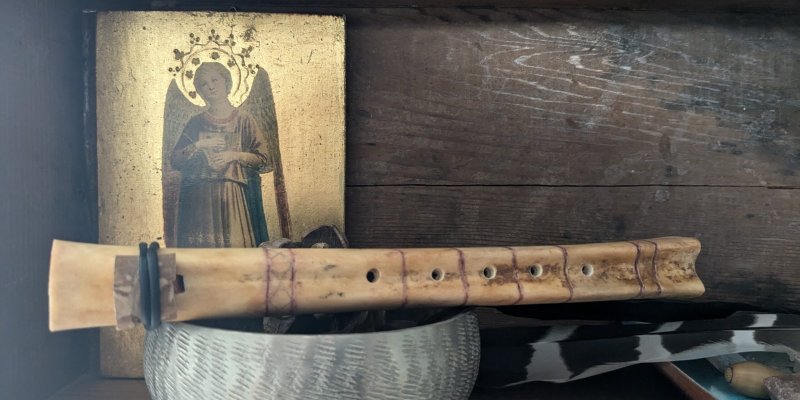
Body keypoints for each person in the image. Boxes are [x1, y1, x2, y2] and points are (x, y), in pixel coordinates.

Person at [170, 62, 272, 248]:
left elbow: (263, 159)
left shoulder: (244, 120)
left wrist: (233, 155)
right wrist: (199, 145)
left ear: (227, 81)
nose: (210, 86)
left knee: (235, 249)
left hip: (232, 196)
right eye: (203, 84)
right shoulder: (195, 123)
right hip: (201, 198)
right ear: (199, 92)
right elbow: (175, 161)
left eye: (214, 80)